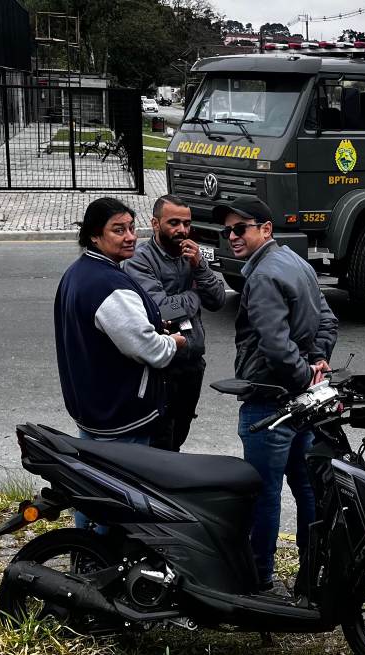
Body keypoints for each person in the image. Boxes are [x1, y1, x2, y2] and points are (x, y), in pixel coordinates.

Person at [219, 196, 338, 591]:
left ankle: (258, 581)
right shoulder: (297, 263)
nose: (232, 236)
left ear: (265, 229)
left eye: (241, 228)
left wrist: (306, 373)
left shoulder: (264, 275)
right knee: (307, 490)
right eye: (228, 230)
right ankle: (312, 574)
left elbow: (274, 344)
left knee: (263, 495)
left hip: (270, 404)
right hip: (302, 404)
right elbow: (326, 319)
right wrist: (318, 361)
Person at [55, 198, 186, 531]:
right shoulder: (107, 285)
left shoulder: (79, 272)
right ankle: (104, 569)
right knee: (117, 504)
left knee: (92, 491)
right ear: (94, 236)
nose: (130, 236)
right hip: (122, 417)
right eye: (118, 230)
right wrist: (173, 342)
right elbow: (150, 350)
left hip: (93, 410)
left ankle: (85, 557)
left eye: (131, 227)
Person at [125, 195, 225, 451]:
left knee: (178, 437)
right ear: (155, 224)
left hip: (192, 364)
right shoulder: (140, 259)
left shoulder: (192, 254)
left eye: (187, 223)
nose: (182, 230)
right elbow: (160, 309)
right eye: (174, 223)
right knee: (161, 442)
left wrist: (200, 267)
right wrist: (194, 295)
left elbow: (217, 299)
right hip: (163, 367)